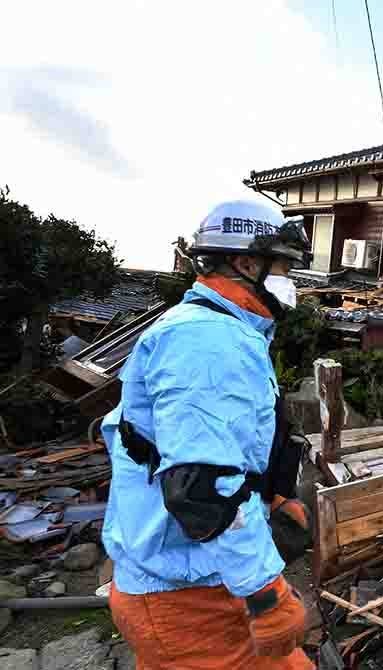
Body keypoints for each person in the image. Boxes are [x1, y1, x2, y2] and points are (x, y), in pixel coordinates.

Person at [102, 200, 316, 669]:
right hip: (186, 601)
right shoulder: (209, 342)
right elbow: (204, 488)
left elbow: (211, 451)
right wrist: (266, 595)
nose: (291, 281)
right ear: (246, 263)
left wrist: (271, 502)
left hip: (197, 582)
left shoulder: (215, 331)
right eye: (284, 266)